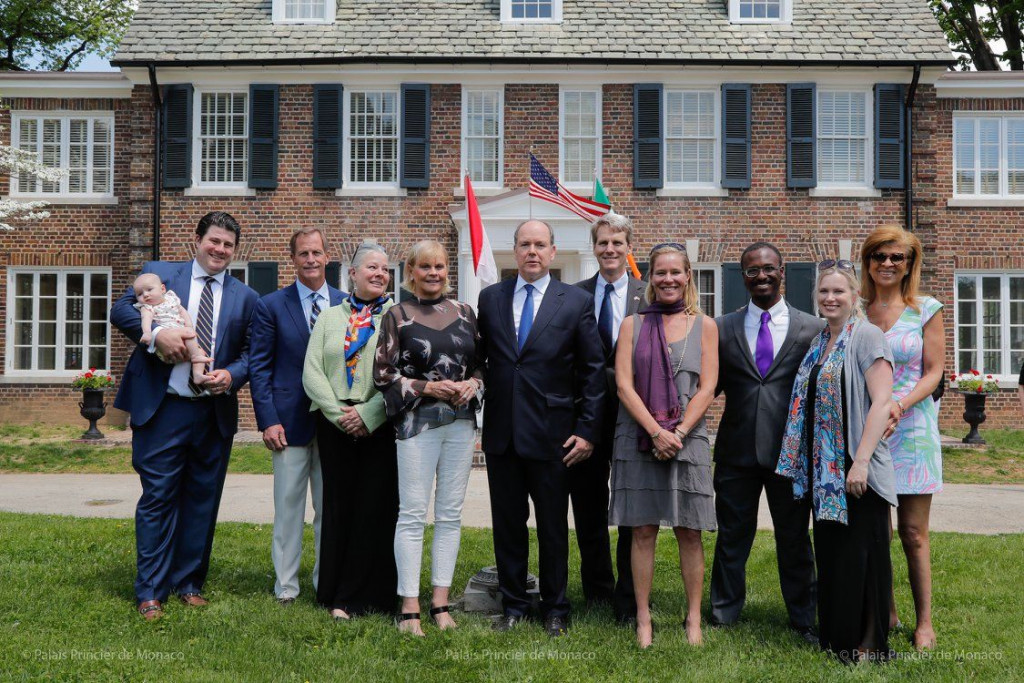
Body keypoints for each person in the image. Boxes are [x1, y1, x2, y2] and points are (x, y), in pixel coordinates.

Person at [110, 211, 258, 621]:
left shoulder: (246, 298)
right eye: (214, 240)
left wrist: (231, 375)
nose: (220, 250)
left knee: (201, 500)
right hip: (163, 409)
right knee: (158, 497)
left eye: (228, 244)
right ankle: (151, 590)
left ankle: (189, 582)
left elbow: (251, 355)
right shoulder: (160, 275)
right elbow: (120, 310)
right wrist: (158, 334)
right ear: (197, 239)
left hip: (213, 414)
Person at [476, 219, 605, 638]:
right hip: (503, 434)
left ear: (553, 252)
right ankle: (514, 604)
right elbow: (484, 360)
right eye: (525, 244)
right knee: (508, 526)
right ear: (514, 251)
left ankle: (556, 608)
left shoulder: (575, 301)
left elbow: (592, 371)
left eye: (540, 245)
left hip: (555, 435)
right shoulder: (491, 298)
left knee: (552, 527)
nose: (532, 252)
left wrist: (587, 430)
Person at [776, 260, 897, 663]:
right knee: (833, 556)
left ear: (855, 296)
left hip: (854, 464)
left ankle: (869, 644)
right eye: (824, 292)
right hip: (824, 470)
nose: (830, 298)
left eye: (838, 292)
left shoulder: (867, 336)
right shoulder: (820, 342)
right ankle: (837, 639)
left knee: (863, 555)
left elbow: (882, 402)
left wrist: (860, 462)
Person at [709, 242, 822, 643]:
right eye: (752, 270)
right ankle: (723, 613)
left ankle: (804, 617)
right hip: (736, 451)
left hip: (790, 454)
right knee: (732, 537)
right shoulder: (721, 327)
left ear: (782, 271)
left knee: (794, 539)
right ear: (743, 276)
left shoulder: (813, 328)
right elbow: (709, 387)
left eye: (768, 269)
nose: (761, 276)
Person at [610, 243, 719, 648]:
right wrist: (656, 432)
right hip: (639, 436)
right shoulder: (631, 325)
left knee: (690, 532)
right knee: (642, 531)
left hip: (688, 440)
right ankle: (643, 618)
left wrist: (677, 433)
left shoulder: (705, 326)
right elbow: (623, 385)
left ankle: (693, 618)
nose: (668, 279)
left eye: (676, 272)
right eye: (660, 272)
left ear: (688, 275)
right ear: (649, 278)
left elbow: (708, 388)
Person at [373, 240, 483, 636]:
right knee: (414, 514)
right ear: (411, 273)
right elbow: (382, 375)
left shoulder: (466, 314)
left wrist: (472, 384)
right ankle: (409, 607)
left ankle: (440, 602)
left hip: (461, 424)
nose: (433, 272)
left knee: (451, 516)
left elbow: (484, 367)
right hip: (416, 428)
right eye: (425, 267)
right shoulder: (397, 315)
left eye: (439, 266)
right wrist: (426, 388)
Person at [302, 242, 398, 620]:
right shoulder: (328, 317)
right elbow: (312, 369)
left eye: (385, 269)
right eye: (371, 268)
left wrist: (369, 413)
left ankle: (372, 595)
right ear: (352, 274)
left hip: (380, 424)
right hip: (334, 423)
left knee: (375, 507)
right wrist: (336, 412)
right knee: (338, 508)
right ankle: (335, 593)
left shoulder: (397, 315)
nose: (379, 274)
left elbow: (401, 372)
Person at [249, 227, 345, 606]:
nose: (310, 260)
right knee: (289, 508)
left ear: (327, 256)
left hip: (335, 421)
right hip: (287, 422)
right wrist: (268, 419)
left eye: (316, 253)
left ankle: (326, 583)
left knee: (329, 508)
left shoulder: (345, 303)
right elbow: (260, 368)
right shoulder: (271, 305)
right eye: (303, 253)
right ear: (293, 259)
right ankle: (286, 587)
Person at [861, 224, 944, 651]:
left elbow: (933, 372)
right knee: (879, 530)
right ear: (868, 262)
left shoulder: (926, 308)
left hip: (912, 431)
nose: (888, 264)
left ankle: (924, 622)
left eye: (897, 257)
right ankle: (887, 608)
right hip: (868, 432)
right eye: (880, 256)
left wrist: (899, 404)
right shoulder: (858, 311)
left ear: (910, 263)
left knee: (913, 532)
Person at [573, 213, 646, 624]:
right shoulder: (575, 296)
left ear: (627, 246)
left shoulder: (647, 295)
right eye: (603, 243)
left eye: (617, 242)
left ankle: (628, 591)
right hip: (587, 417)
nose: (610, 250)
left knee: (631, 504)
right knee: (588, 506)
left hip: (633, 415)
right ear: (593, 246)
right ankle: (597, 589)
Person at [132, 272, 213, 388]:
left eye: (149, 289)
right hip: (165, 346)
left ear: (162, 289)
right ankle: (195, 356)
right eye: (140, 294)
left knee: (199, 350)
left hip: (183, 338)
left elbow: (182, 311)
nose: (145, 295)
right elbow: (146, 320)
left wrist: (189, 325)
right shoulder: (147, 307)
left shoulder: (171, 299)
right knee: (190, 337)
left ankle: (198, 374)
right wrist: (147, 333)